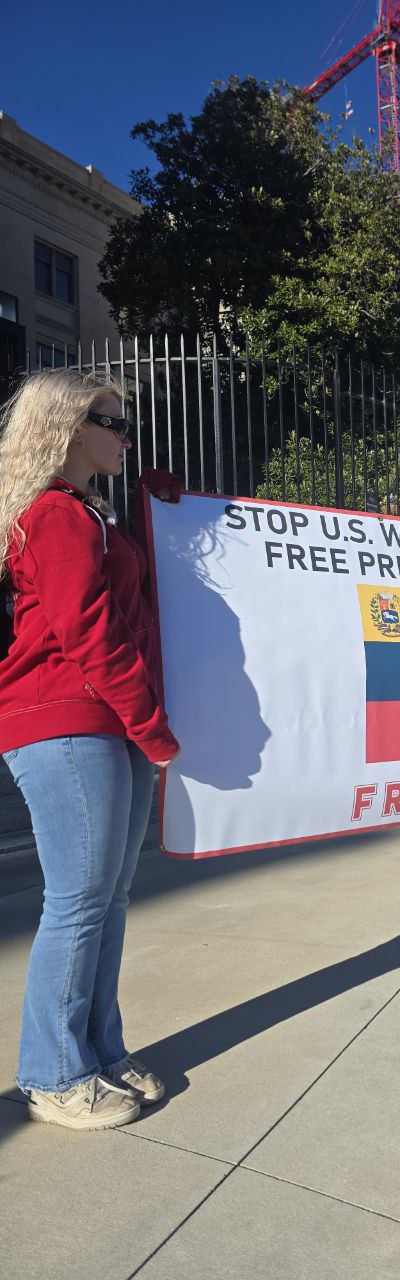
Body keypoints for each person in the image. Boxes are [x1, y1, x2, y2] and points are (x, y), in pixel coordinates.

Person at [0, 369, 182, 1131]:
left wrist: (158, 510)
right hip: (65, 717)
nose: (125, 436)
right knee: (78, 903)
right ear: (68, 428)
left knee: (106, 900)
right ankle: (51, 1074)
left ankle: (100, 1050)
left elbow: (137, 608)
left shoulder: (88, 513)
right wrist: (151, 726)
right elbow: (88, 632)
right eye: (112, 422)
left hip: (103, 720)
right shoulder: (54, 514)